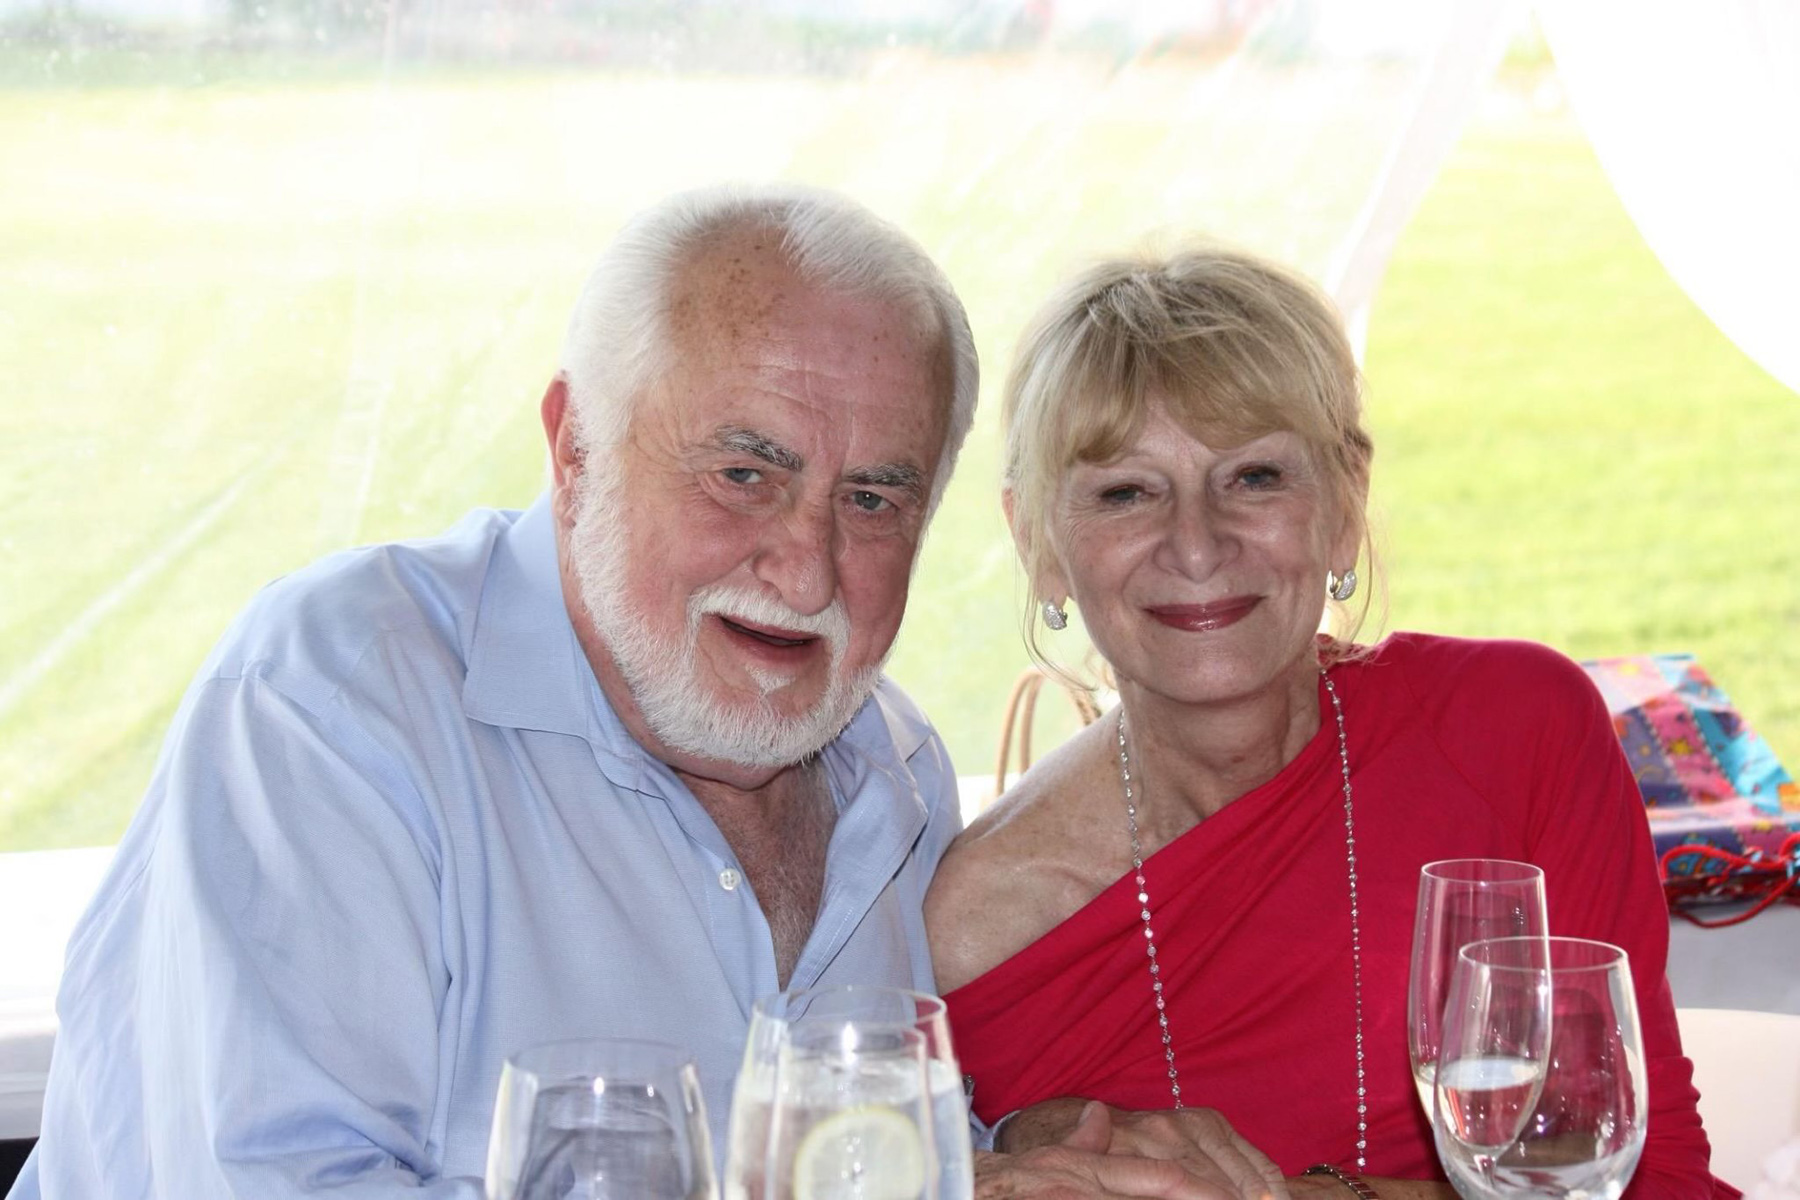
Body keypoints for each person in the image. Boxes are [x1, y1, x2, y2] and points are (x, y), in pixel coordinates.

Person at [13, 184, 992, 1198]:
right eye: (744, 474)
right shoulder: (331, 708)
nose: (808, 572)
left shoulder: (897, 776)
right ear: (576, 448)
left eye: (872, 499)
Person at [926, 246, 1737, 1200]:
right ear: (1038, 541)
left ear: (1345, 501)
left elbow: (1646, 1176)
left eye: (1255, 477)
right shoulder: (981, 931)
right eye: (1125, 492)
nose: (1197, 545)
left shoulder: (1515, 733)